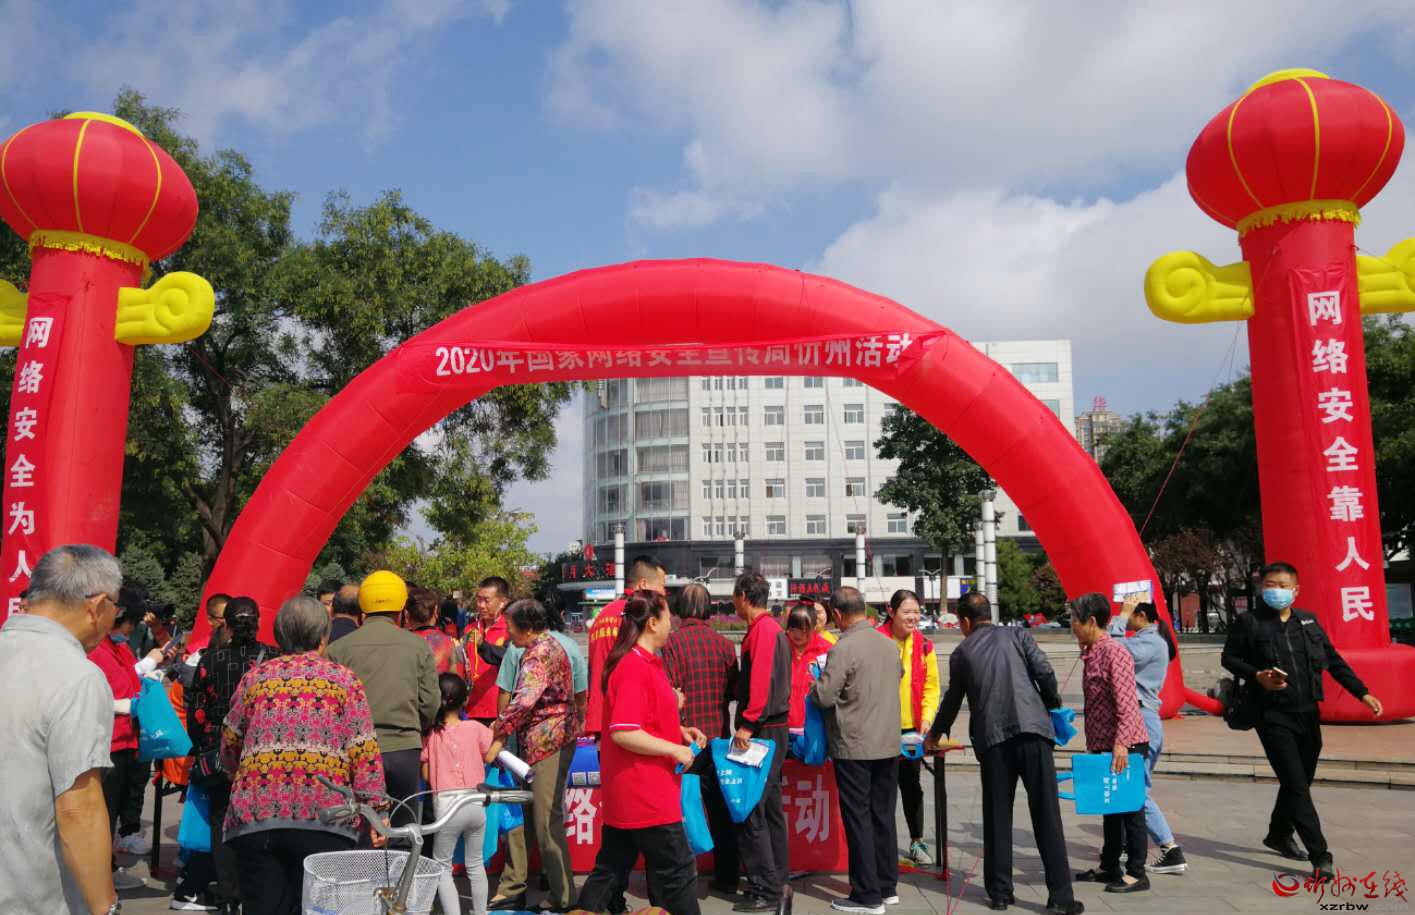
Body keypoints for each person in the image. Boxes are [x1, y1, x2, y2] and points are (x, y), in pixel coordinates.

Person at [222, 594, 387, 915]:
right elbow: (364, 750)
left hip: (257, 815)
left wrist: (234, 772)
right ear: (323, 636)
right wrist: (376, 810)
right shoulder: (344, 680)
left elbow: (230, 740)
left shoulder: (255, 678)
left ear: (279, 635)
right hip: (326, 818)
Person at [1221, 562, 1383, 881]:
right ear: (1261, 587)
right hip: (1271, 715)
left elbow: (1333, 659)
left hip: (1308, 713)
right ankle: (1320, 855)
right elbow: (1229, 658)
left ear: (1296, 590)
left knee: (1300, 781)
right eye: (1270, 584)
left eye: (1283, 585)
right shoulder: (1249, 622)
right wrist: (1257, 675)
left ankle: (1279, 833)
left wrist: (1361, 692)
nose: (1276, 591)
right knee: (1296, 784)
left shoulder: (1308, 621)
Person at [927, 592, 1081, 915]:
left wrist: (934, 735)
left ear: (965, 621)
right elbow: (1044, 672)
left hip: (994, 739)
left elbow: (952, 700)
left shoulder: (962, 653)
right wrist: (1051, 704)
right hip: (1034, 732)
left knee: (997, 815)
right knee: (1047, 814)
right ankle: (1061, 896)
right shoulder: (1018, 635)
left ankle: (999, 893)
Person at [0, 545, 122, 915]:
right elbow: (78, 809)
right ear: (97, 605)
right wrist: (105, 907)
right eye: (116, 608)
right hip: (30, 896)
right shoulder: (76, 677)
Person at [576, 591, 706, 915]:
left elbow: (642, 719)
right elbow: (623, 731)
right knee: (678, 872)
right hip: (646, 791)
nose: (672, 624)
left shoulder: (645, 662)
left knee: (611, 870)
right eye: (668, 617)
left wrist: (678, 730)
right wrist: (675, 748)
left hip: (634, 790)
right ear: (652, 623)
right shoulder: (634, 666)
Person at [809, 587, 903, 915]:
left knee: (858, 818)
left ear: (837, 614)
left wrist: (814, 685)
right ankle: (887, 886)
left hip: (855, 745)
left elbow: (824, 696)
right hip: (888, 742)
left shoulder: (843, 647)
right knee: (883, 815)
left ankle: (866, 894)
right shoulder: (888, 644)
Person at [489, 600, 588, 910]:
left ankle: (563, 898)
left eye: (510, 627)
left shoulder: (539, 653)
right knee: (534, 816)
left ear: (528, 628)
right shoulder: (546, 646)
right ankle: (539, 890)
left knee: (546, 820)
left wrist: (498, 729)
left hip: (548, 742)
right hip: (543, 741)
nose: (507, 634)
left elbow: (522, 701)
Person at [182, 596, 275, 912]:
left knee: (222, 819)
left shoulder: (210, 660)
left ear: (227, 624)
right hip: (262, 752)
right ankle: (257, 892)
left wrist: (203, 744)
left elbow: (196, 712)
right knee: (263, 821)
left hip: (220, 751)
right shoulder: (273, 660)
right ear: (258, 622)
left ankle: (227, 896)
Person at [328, 570, 440, 823]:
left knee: (359, 825)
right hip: (404, 749)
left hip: (355, 751)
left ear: (362, 608)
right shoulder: (419, 646)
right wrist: (414, 727)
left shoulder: (337, 650)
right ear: (402, 610)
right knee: (403, 827)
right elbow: (430, 704)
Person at [1069, 593, 1151, 895]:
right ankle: (1109, 865)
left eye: (1074, 620)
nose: (1072, 626)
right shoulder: (1093, 651)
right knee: (1111, 808)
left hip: (1126, 743)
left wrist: (1121, 745)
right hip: (1105, 743)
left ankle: (1137, 873)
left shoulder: (1115, 652)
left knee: (1131, 809)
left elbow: (1127, 705)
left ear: (1091, 621)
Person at [662, 582, 740, 894]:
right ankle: (728, 877)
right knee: (721, 812)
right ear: (709, 609)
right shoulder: (724, 645)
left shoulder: (672, 644)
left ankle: (683, 879)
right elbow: (734, 691)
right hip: (718, 740)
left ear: (680, 609)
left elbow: (669, 693)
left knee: (683, 813)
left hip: (685, 744)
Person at [87, 587, 168, 885]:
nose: (130, 630)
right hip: (108, 741)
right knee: (104, 813)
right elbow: (110, 693)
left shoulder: (117, 647)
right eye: (129, 622)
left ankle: (105, 870)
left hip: (127, 740)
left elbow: (131, 682)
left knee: (113, 809)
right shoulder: (96, 650)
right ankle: (100, 877)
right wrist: (133, 699)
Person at [1107, 597, 1186, 875]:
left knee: (1135, 790)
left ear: (1141, 615)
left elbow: (1112, 649)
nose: (1125, 618)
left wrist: (1119, 619)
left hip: (1140, 719)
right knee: (1132, 787)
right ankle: (1128, 843)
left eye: (1130, 613)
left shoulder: (1150, 642)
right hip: (1142, 718)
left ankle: (1170, 848)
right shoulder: (1149, 640)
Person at [730, 573, 793, 914]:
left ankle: (767, 888)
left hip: (763, 730)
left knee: (752, 808)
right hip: (771, 727)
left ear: (743, 596)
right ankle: (778, 880)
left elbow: (761, 681)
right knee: (769, 807)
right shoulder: (768, 629)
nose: (733, 602)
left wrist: (747, 724)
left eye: (734, 596)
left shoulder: (764, 631)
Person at [424, 672, 494, 915]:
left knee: (443, 866)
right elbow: (490, 754)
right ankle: (480, 912)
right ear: (465, 700)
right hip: (475, 803)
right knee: (475, 864)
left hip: (447, 808)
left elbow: (426, 774)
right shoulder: (475, 728)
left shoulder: (432, 734)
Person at [879, 589, 940, 867]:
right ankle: (883, 846)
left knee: (912, 787)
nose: (913, 617)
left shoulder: (925, 645)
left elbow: (931, 688)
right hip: (880, 731)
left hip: (912, 732)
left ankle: (917, 841)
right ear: (891, 612)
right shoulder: (877, 641)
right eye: (907, 612)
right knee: (883, 790)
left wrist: (927, 719)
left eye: (916, 612)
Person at [587, 555, 668, 737]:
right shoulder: (639, 618)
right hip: (630, 720)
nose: (664, 593)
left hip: (601, 717)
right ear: (643, 584)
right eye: (662, 586)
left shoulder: (603, 615)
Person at [465, 576, 512, 723]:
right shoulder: (470, 629)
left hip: (499, 710)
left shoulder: (511, 630)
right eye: (478, 600)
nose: (481, 605)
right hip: (471, 708)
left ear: (503, 602)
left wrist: (482, 645)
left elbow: (508, 657)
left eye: (486, 600)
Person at [784, 603, 832, 734]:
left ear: (814, 627)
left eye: (804, 630)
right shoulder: (779, 645)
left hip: (814, 728)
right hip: (782, 726)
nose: (798, 634)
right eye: (793, 629)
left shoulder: (826, 650)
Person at [406, 584, 467, 675]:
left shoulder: (400, 642)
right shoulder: (451, 643)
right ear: (435, 611)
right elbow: (457, 677)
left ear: (407, 615)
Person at [179, 592, 232, 688]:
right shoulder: (196, 652)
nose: (229, 621)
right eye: (223, 618)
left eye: (232, 616)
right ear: (210, 620)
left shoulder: (245, 644)